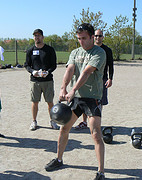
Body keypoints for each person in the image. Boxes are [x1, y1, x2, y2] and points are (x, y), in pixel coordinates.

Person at [45, 23, 106, 180]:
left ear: (92, 37)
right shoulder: (75, 52)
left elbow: (86, 72)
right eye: (79, 38)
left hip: (92, 98)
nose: (81, 41)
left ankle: (100, 172)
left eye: (84, 38)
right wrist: (63, 88)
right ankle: (59, 159)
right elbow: (70, 69)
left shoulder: (99, 52)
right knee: (64, 129)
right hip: (76, 98)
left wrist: (72, 90)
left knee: (96, 134)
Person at [74, 29, 114, 130]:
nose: (98, 38)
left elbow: (110, 65)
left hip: (102, 79)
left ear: (103, 37)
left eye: (100, 36)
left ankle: (96, 122)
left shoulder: (107, 50)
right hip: (88, 78)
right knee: (84, 100)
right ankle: (84, 121)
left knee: (100, 101)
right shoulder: (89, 49)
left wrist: (110, 78)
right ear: (93, 37)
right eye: (96, 36)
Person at [24, 29, 60, 130]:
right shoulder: (30, 50)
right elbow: (26, 65)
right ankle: (34, 121)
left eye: (39, 35)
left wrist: (48, 72)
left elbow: (54, 65)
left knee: (50, 102)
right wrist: (32, 71)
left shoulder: (49, 50)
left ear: (43, 37)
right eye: (35, 36)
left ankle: (53, 121)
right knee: (34, 102)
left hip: (47, 80)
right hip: (35, 81)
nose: (37, 37)